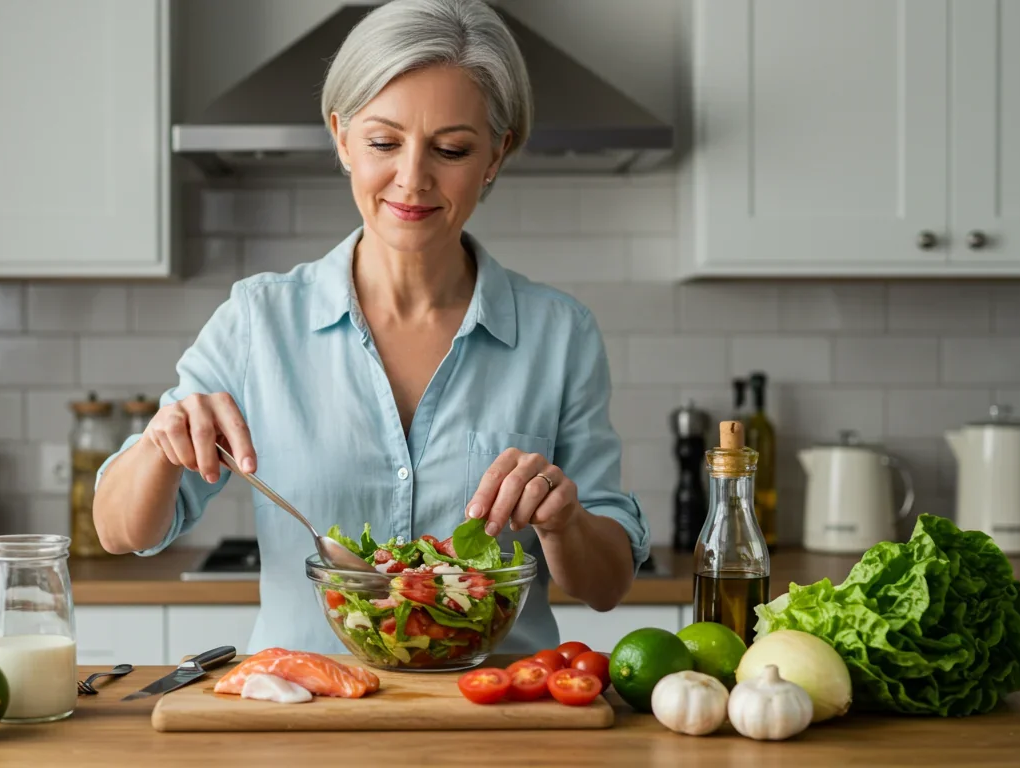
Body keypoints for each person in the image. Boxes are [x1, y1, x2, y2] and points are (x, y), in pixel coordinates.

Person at [92, 0, 648, 656]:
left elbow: (607, 583)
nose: (412, 179)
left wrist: (563, 522)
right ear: (342, 137)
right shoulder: (257, 322)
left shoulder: (560, 335)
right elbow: (119, 530)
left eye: (451, 148)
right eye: (384, 142)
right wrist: (162, 443)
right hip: (307, 729)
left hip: (495, 728)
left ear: (496, 154)